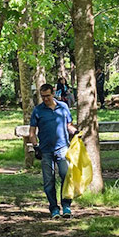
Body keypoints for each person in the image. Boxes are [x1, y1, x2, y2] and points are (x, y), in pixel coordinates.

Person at [29, 84, 78, 219]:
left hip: (62, 148)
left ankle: (66, 205)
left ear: (53, 94)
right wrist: (35, 146)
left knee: (66, 176)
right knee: (49, 180)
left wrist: (75, 132)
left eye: (48, 96)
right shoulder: (38, 110)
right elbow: (32, 131)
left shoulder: (63, 107)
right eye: (43, 96)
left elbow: (69, 125)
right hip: (45, 150)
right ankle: (54, 208)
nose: (45, 99)